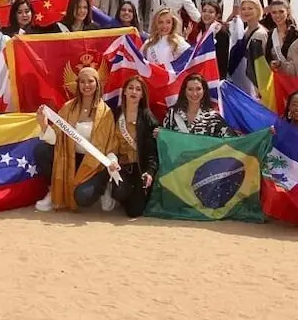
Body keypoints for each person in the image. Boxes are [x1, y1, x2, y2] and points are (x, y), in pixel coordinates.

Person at [33, 67, 119, 212]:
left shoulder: (106, 113)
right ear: (77, 84)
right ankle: (54, 190)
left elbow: (111, 145)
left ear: (97, 84)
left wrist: (112, 162)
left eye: (90, 81)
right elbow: (55, 139)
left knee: (82, 198)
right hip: (69, 158)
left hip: (93, 164)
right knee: (41, 150)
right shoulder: (67, 108)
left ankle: (104, 186)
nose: (86, 85)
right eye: (82, 82)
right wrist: (44, 125)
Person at [74, 76, 159, 217]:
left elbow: (152, 153)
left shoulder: (147, 118)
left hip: (139, 169)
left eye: (138, 89)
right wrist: (111, 160)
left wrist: (149, 172)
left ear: (142, 94)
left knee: (135, 212)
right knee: (117, 191)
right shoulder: (114, 114)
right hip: (117, 167)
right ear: (124, 91)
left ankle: (124, 195)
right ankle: (109, 188)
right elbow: (106, 143)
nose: (134, 92)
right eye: (130, 88)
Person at [161, 74, 231, 137]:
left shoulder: (213, 117)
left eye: (198, 89)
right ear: (184, 91)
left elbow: (229, 140)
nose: (194, 93)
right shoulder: (172, 114)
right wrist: (160, 135)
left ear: (204, 90)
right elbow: (166, 139)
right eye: (190, 89)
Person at [237, 0, 269, 93]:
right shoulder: (244, 31)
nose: (246, 11)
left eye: (250, 8)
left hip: (257, 84)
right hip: (244, 82)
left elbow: (264, 61)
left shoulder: (261, 34)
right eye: (243, 9)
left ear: (258, 10)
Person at [264, 0, 298, 72]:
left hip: (294, 76)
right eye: (274, 12)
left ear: (288, 12)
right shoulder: (270, 35)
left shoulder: (297, 34)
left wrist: (281, 64)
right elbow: (267, 58)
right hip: (277, 76)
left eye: (281, 11)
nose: (277, 15)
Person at [197, 0, 230, 79]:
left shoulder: (221, 33)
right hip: (202, 74)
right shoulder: (199, 31)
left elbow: (222, 61)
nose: (206, 14)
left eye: (211, 12)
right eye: (204, 11)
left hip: (215, 76)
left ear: (217, 15)